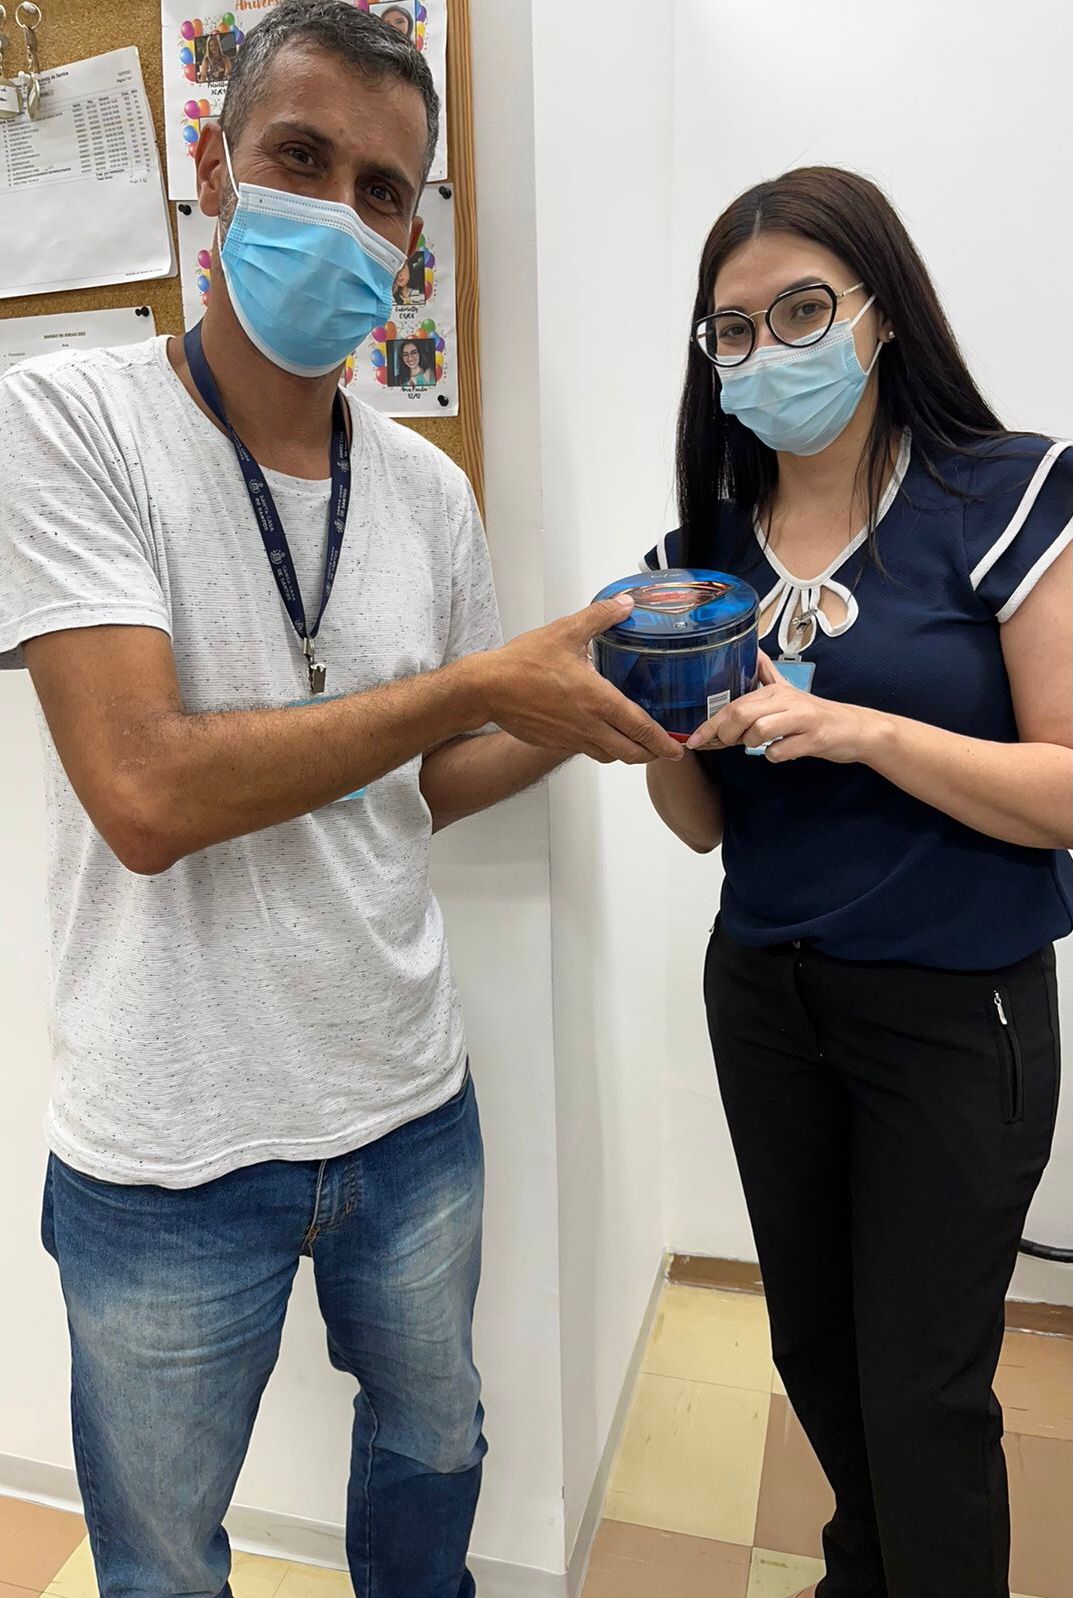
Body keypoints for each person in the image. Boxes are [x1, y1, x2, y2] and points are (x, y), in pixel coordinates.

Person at [0, 6, 682, 1598]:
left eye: (384, 190)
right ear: (213, 167)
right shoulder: (68, 420)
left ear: (411, 233)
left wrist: (585, 709)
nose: (342, 213)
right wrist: (470, 683)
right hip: (166, 1142)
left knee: (435, 1449)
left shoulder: (429, 490)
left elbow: (428, 782)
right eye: (300, 158)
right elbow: (142, 791)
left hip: (407, 1100)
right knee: (161, 1558)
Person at [643, 166, 1072, 1598]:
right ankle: (860, 1570)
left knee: (922, 1387)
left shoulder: (1003, 496)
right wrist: (648, 733)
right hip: (767, 1002)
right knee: (815, 1349)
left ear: (880, 314)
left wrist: (861, 730)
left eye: (801, 311)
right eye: (733, 329)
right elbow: (700, 827)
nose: (766, 351)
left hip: (954, 1014)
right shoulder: (698, 557)